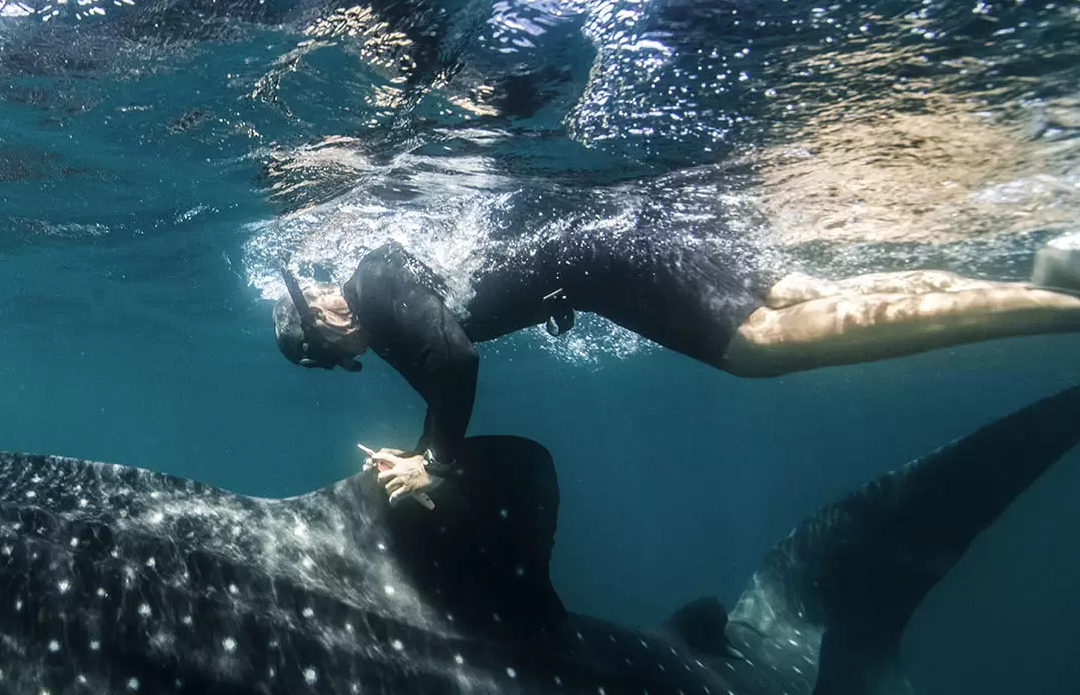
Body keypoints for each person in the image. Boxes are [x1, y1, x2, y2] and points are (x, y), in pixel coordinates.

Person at [273, 210, 1080, 507]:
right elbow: (446, 359)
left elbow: (454, 366)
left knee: (761, 348)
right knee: (811, 297)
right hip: (634, 236)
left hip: (616, 256)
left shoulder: (371, 281)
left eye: (328, 349)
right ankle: (1037, 280)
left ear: (320, 318)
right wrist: (422, 451)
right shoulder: (383, 295)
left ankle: (1063, 309)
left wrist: (438, 463)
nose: (347, 352)